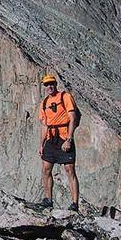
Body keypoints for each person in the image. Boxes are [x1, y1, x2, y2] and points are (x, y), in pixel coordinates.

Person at [38, 74, 79, 211]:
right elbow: (44, 125)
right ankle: (48, 199)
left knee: (69, 170)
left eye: (51, 84)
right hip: (51, 139)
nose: (49, 86)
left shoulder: (65, 97)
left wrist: (69, 139)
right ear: (44, 87)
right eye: (46, 84)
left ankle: (74, 204)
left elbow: (72, 118)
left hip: (64, 137)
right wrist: (41, 144)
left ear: (55, 84)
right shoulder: (44, 103)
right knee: (46, 169)